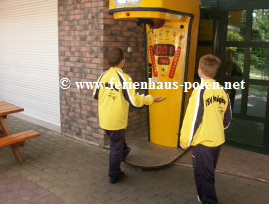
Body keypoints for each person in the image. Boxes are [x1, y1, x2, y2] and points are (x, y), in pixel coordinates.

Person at [93, 47, 165, 184]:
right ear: (123, 61)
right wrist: (151, 99)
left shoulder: (102, 76)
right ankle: (114, 175)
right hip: (116, 121)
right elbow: (135, 101)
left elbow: (95, 95)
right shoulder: (124, 78)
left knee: (117, 141)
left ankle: (124, 151)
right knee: (115, 147)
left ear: (109, 61)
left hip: (104, 119)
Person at [180, 54, 232, 204]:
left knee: (203, 175)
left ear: (200, 70)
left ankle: (208, 200)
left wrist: (185, 141)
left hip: (203, 143)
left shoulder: (200, 90)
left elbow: (193, 119)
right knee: (208, 171)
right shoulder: (222, 90)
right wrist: (217, 129)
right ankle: (203, 196)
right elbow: (228, 117)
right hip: (217, 141)